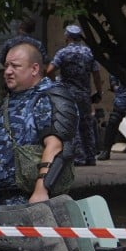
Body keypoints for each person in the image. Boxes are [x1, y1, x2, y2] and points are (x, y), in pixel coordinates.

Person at [0, 43, 78, 209]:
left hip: (32, 202)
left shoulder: (50, 97)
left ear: (34, 69)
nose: (8, 71)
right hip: (0, 203)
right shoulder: (8, 102)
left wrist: (41, 191)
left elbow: (57, 147)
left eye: (15, 66)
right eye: (6, 66)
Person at [46, 24, 102, 166]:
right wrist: (99, 91)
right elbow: (96, 74)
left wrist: (55, 84)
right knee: (87, 124)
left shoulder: (63, 53)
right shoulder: (89, 53)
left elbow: (49, 70)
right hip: (84, 93)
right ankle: (91, 156)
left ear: (67, 37)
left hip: (68, 94)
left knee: (72, 125)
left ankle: (78, 157)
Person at [98, 73, 126, 161]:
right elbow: (113, 68)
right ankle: (106, 150)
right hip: (123, 91)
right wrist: (114, 85)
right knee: (113, 120)